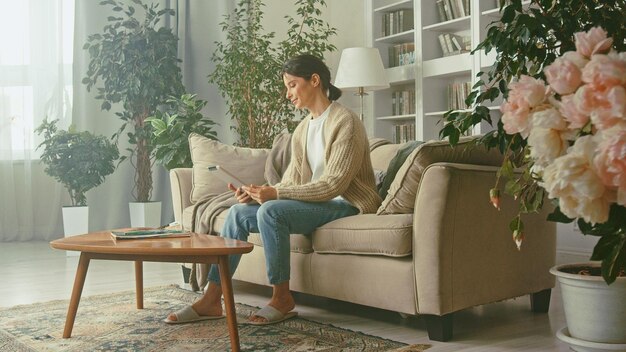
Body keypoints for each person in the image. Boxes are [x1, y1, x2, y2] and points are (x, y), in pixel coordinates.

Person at [165, 54, 382, 325]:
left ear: (314, 80)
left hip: (346, 202)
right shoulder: (303, 128)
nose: (287, 94)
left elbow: (333, 184)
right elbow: (291, 182)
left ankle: (282, 298)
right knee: (237, 213)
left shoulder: (346, 122)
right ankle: (212, 298)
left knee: (272, 212)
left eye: (292, 85)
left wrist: (275, 196)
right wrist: (258, 192)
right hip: (319, 202)